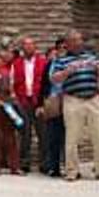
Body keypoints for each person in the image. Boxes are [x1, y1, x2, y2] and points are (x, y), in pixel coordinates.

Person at [52, 30, 99, 181]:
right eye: (74, 40)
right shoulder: (61, 60)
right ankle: (72, 171)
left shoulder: (91, 57)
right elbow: (54, 79)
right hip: (73, 99)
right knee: (72, 137)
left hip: (93, 99)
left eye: (79, 40)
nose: (78, 43)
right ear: (67, 44)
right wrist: (67, 71)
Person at [12, 36, 48, 174]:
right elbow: (12, 83)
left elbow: (47, 83)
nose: (28, 47)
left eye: (31, 44)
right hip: (23, 102)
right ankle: (24, 162)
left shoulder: (43, 62)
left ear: (35, 47)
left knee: (43, 133)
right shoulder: (16, 63)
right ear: (22, 48)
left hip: (39, 101)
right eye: (25, 45)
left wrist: (44, 102)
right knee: (24, 133)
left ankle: (45, 163)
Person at [38, 38, 67, 177]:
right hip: (53, 101)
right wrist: (40, 104)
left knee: (69, 136)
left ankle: (70, 167)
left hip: (69, 100)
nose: (63, 49)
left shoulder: (72, 63)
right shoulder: (50, 64)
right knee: (53, 135)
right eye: (60, 47)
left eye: (65, 47)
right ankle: (54, 167)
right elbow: (43, 85)